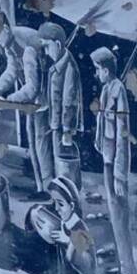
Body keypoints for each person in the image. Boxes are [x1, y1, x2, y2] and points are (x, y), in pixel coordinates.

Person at [0, 10, 53, 191]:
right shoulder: (10, 43)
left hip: (45, 102)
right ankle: (41, 189)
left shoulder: (28, 47)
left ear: (5, 29)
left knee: (42, 146)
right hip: (33, 102)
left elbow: (32, 87)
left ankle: (49, 190)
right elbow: (12, 71)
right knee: (34, 144)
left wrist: (7, 101)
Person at [91, 46, 137, 274]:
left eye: (98, 69)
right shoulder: (108, 88)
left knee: (120, 217)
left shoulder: (118, 91)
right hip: (108, 159)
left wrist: (120, 173)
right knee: (114, 213)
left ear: (106, 69)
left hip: (115, 163)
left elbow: (122, 134)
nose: (96, 74)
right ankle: (124, 267)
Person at [26, 176, 105, 274]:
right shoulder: (64, 221)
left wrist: (69, 241)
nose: (56, 208)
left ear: (72, 205)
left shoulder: (79, 229)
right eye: (54, 203)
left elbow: (90, 268)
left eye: (61, 204)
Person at [39, 22, 83, 187]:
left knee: (63, 166)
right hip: (55, 124)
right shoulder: (58, 64)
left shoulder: (69, 67)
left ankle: (66, 197)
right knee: (59, 164)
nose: (45, 51)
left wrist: (66, 130)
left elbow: (69, 102)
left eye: (46, 46)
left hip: (62, 127)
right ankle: (61, 195)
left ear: (57, 44)